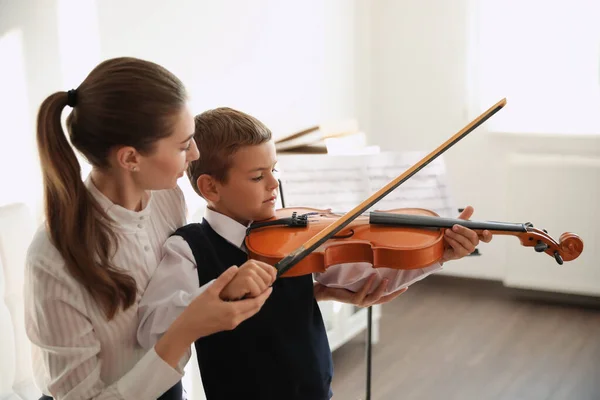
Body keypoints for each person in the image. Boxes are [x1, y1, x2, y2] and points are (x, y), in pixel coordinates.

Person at [137, 107, 493, 399]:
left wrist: (439, 252)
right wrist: (220, 290)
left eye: (273, 170)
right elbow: (155, 325)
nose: (274, 184)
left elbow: (369, 272)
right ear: (211, 187)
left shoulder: (294, 235)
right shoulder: (188, 249)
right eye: (258, 176)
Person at [24, 58, 274, 400]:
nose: (196, 153)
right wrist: (184, 331)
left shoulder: (168, 197)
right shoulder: (53, 260)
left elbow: (176, 290)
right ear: (130, 159)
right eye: (184, 145)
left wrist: (310, 291)